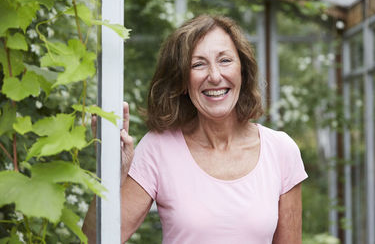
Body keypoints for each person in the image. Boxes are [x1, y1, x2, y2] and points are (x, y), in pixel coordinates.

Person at [83, 15, 307, 244]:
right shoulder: (157, 148)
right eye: (198, 64)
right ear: (181, 81)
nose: (215, 76)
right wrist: (109, 174)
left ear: (243, 70)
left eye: (225, 60)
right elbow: (95, 240)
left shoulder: (281, 151)